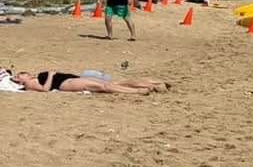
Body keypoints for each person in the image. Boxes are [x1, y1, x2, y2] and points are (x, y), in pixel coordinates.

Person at [8, 68, 169, 95]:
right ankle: (139, 91)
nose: (23, 74)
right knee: (105, 86)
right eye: (19, 75)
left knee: (118, 82)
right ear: (20, 81)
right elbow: (45, 90)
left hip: (71, 78)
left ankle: (153, 83)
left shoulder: (34, 77)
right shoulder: (29, 84)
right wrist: (50, 74)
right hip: (66, 84)